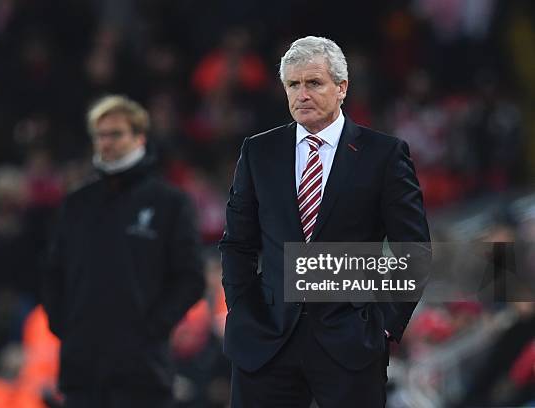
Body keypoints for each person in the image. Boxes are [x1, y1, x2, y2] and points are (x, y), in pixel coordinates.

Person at [219, 36, 431, 407]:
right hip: (266, 337)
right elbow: (237, 242)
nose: (302, 94)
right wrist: (242, 306)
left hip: (350, 340)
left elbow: (412, 248)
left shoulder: (384, 154)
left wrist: (382, 325)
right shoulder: (258, 151)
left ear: (342, 87)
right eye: (293, 84)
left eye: (313, 83)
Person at [42, 95, 205, 407]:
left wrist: (151, 329)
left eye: (115, 134)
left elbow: (190, 278)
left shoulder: (169, 203)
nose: (106, 143)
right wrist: (62, 323)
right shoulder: (77, 203)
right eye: (99, 135)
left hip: (142, 371)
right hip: (82, 369)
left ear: (139, 137)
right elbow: (53, 271)